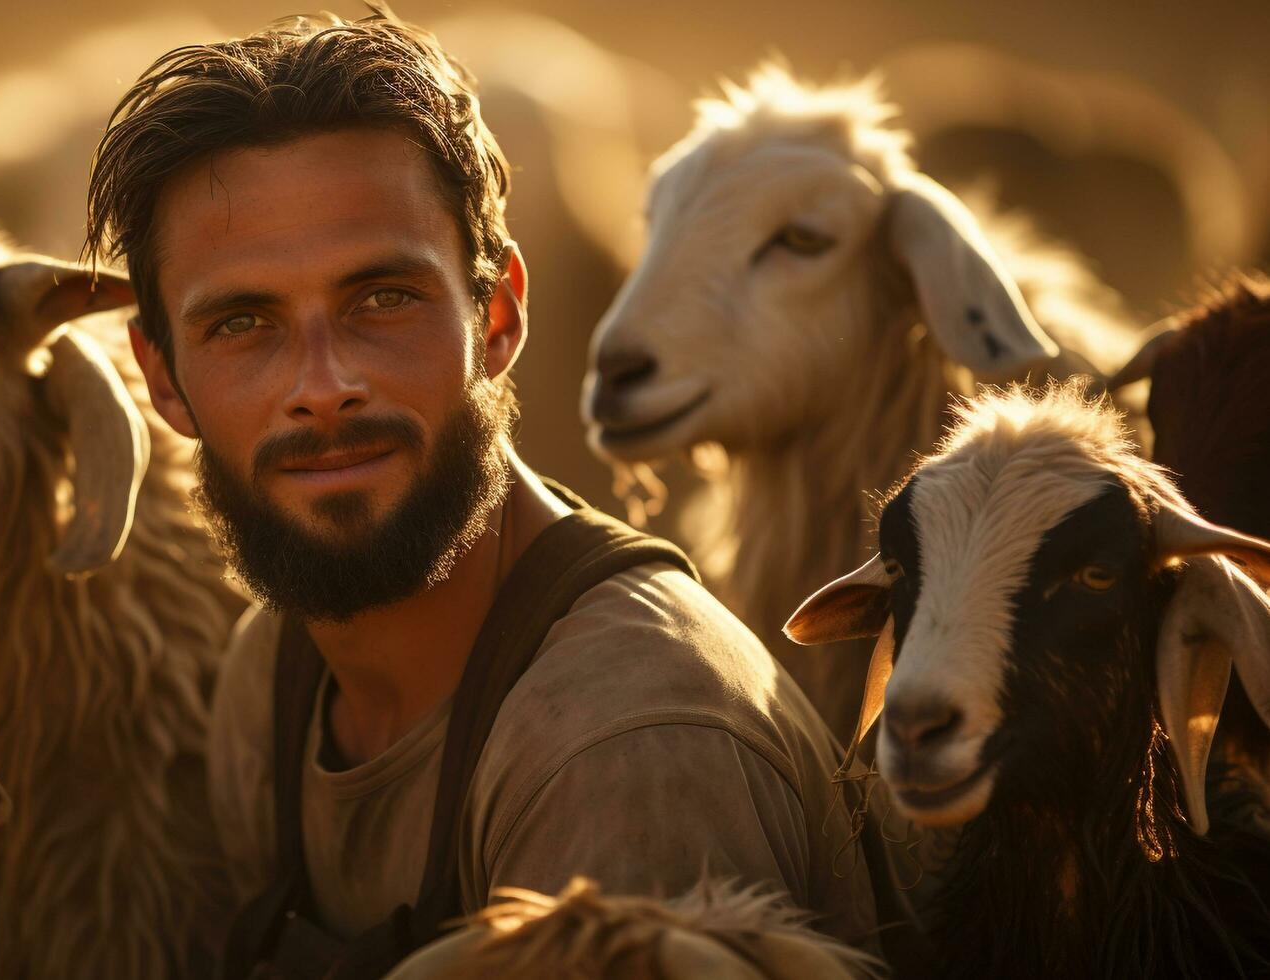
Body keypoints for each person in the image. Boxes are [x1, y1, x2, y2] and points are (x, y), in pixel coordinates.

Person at [83, 10, 879, 977]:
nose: (322, 383)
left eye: (382, 299)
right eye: (243, 322)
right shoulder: (274, 672)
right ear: (162, 377)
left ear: (495, 317)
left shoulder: (625, 743)